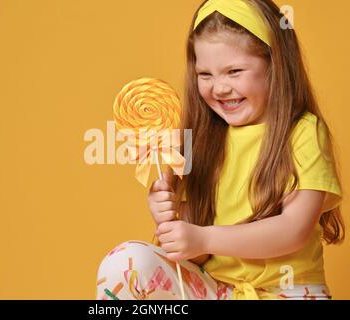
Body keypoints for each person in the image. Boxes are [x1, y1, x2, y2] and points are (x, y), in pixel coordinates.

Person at [95, 0, 345, 300]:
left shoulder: (303, 131)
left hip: (290, 292)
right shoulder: (202, 140)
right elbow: (198, 257)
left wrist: (204, 237)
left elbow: (294, 229)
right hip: (217, 291)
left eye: (234, 71)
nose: (219, 88)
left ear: (275, 65)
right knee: (127, 262)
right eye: (205, 75)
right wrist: (170, 216)